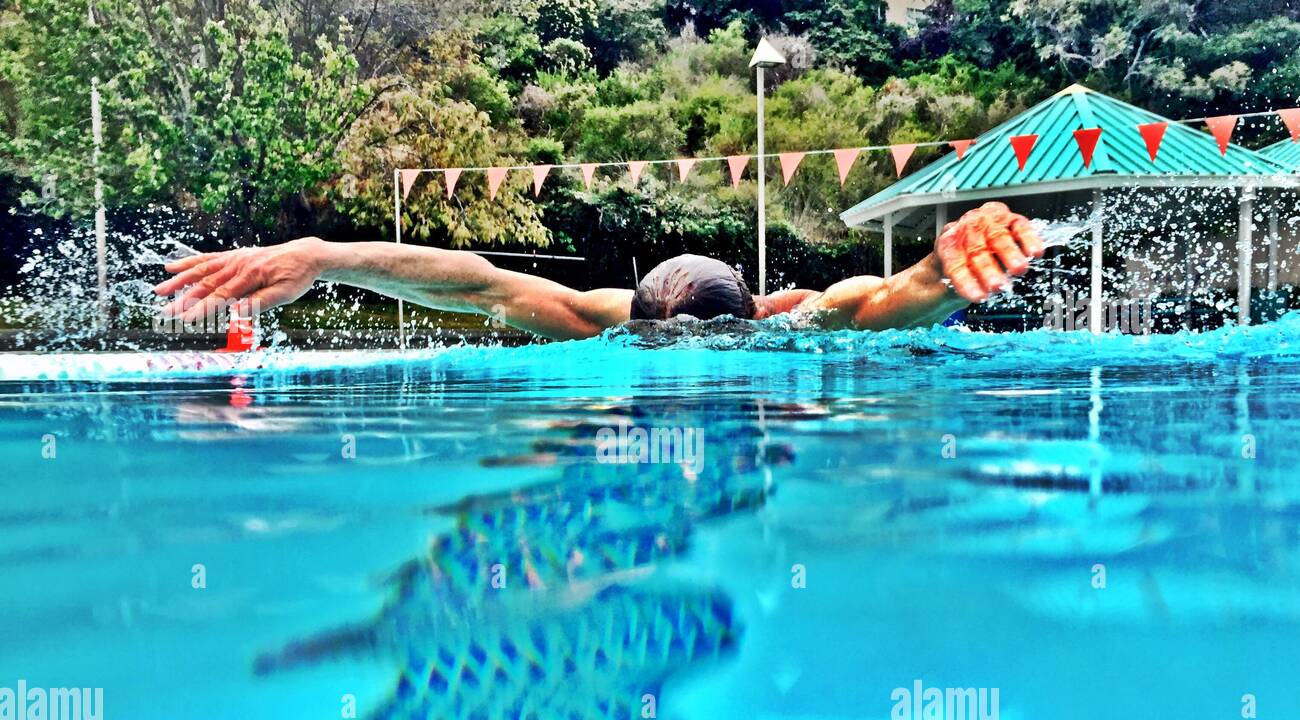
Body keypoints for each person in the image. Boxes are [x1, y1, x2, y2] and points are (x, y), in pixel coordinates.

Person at [153, 201, 1044, 341]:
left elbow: (477, 280)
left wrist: (326, 256)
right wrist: (948, 251)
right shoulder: (799, 324)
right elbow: (896, 298)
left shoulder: (614, 322)